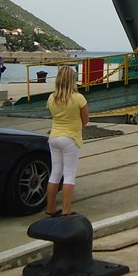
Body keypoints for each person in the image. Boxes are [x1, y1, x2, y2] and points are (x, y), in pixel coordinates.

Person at [45, 65, 89, 218]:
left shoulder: (51, 98)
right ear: (72, 80)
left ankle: (50, 210)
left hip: (54, 137)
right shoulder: (78, 98)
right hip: (70, 138)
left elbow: (53, 116)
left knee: (55, 173)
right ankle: (66, 211)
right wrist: (80, 126)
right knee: (69, 174)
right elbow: (86, 119)